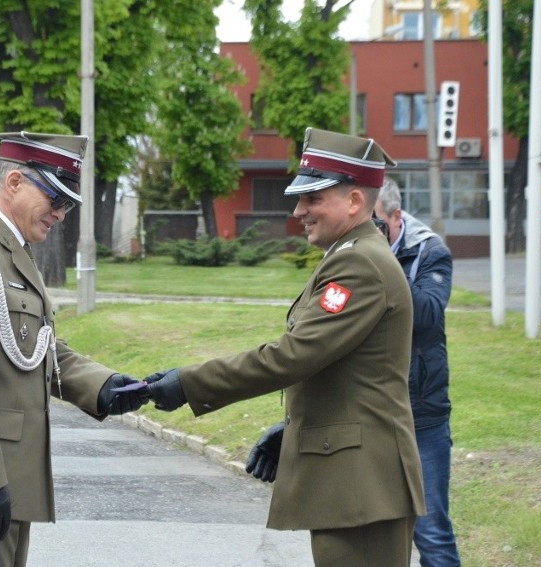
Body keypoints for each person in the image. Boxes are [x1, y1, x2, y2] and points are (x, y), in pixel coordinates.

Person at [145, 127, 427, 566]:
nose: (299, 211)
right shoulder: (352, 253)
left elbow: (293, 356)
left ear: (354, 201)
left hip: (363, 487)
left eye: (313, 199)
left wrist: (189, 383)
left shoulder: (359, 263)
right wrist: (293, 428)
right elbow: (337, 368)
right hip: (355, 484)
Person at [0, 131, 147, 567]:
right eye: (55, 199)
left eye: (67, 204)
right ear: (13, 182)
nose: (61, 214)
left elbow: (34, 346)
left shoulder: (13, 250)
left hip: (14, 477)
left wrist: (102, 386)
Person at [375, 178, 461, 566]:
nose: (367, 231)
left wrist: (381, 261)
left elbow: (426, 314)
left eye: (374, 223)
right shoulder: (347, 251)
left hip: (420, 412)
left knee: (431, 532)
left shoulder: (430, 251)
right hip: (371, 409)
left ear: (396, 216)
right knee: (373, 529)